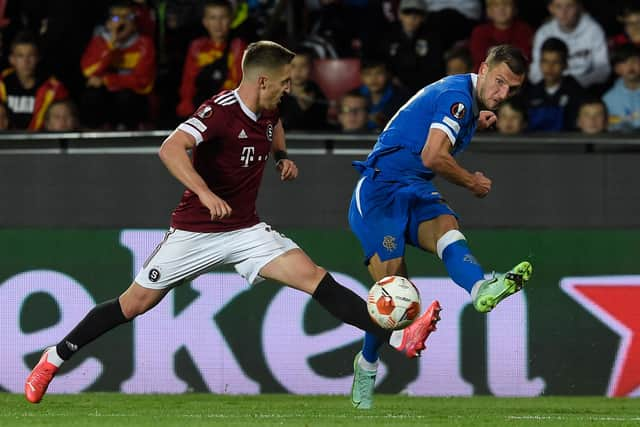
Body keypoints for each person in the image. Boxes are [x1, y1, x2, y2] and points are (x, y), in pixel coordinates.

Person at [24, 40, 441, 405]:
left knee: (314, 276)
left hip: (245, 230)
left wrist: (282, 157)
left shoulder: (269, 109)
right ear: (262, 81)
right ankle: (53, 357)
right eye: (284, 82)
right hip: (195, 231)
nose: (289, 89)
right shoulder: (220, 111)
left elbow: (273, 125)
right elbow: (171, 148)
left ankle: (400, 336)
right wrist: (205, 193)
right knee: (133, 305)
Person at [348, 44, 533, 410]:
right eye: (499, 82)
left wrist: (476, 119)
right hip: (380, 192)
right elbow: (432, 155)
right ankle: (367, 365)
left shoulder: (466, 101)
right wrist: (471, 182)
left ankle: (481, 287)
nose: (502, 94)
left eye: (511, 90)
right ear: (483, 68)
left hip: (413, 188)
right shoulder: (457, 98)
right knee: (395, 296)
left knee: (448, 228)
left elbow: (435, 127)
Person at [79, 0, 156, 129]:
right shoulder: (100, 42)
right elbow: (89, 72)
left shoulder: (145, 44)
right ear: (108, 24)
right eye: (116, 18)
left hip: (132, 100)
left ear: (135, 24)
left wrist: (107, 80)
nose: (121, 22)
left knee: (125, 97)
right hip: (107, 99)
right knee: (92, 95)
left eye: (128, 17)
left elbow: (144, 82)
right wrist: (111, 47)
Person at [176, 0, 247, 118]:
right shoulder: (197, 47)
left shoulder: (238, 46)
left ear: (231, 20)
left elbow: (239, 81)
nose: (218, 23)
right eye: (213, 18)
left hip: (230, 108)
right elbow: (188, 82)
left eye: (223, 17)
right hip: (201, 108)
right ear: (205, 22)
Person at [528, 0, 610, 89]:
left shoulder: (594, 30)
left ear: (580, 7)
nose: (564, 12)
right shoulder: (543, 32)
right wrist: (553, 87)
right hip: (550, 88)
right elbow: (535, 71)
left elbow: (603, 69)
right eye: (558, 6)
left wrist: (572, 86)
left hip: (585, 88)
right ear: (551, 8)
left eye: (570, 6)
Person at [0, 31, 69, 130]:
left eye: (31, 55)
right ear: (12, 59)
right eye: (20, 56)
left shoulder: (54, 88)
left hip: (42, 143)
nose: (26, 61)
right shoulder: (2, 83)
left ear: (38, 58)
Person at [524, 37, 584, 132]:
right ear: (539, 63)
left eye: (556, 62)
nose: (549, 67)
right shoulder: (530, 93)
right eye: (545, 61)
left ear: (565, 65)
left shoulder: (578, 93)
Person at [469, 0, 533, 71]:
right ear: (488, 11)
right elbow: (479, 58)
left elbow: (524, 57)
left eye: (506, 4)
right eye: (496, 5)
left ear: (515, 9)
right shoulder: (479, 32)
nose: (501, 8)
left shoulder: (524, 30)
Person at [278, 47, 329, 131]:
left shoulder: (315, 91)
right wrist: (299, 108)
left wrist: (306, 109)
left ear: (311, 69)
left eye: (303, 66)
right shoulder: (278, 92)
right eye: (293, 66)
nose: (298, 71)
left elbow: (320, 120)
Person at [603, 43, 640, 132]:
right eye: (624, 62)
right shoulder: (608, 98)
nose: (630, 66)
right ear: (616, 69)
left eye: (634, 61)